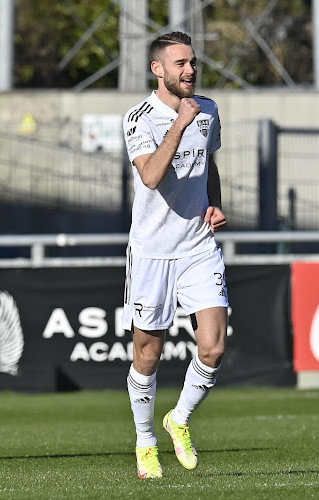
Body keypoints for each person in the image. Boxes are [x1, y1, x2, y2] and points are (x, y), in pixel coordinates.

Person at [122, 31, 228, 479]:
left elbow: (210, 163)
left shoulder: (209, 110)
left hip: (198, 244)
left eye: (193, 63)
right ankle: (146, 442)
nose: (190, 71)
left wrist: (215, 201)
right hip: (152, 252)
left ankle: (178, 419)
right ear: (158, 69)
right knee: (147, 354)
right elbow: (150, 176)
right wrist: (179, 123)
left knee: (214, 345)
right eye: (180, 64)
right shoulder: (139, 117)